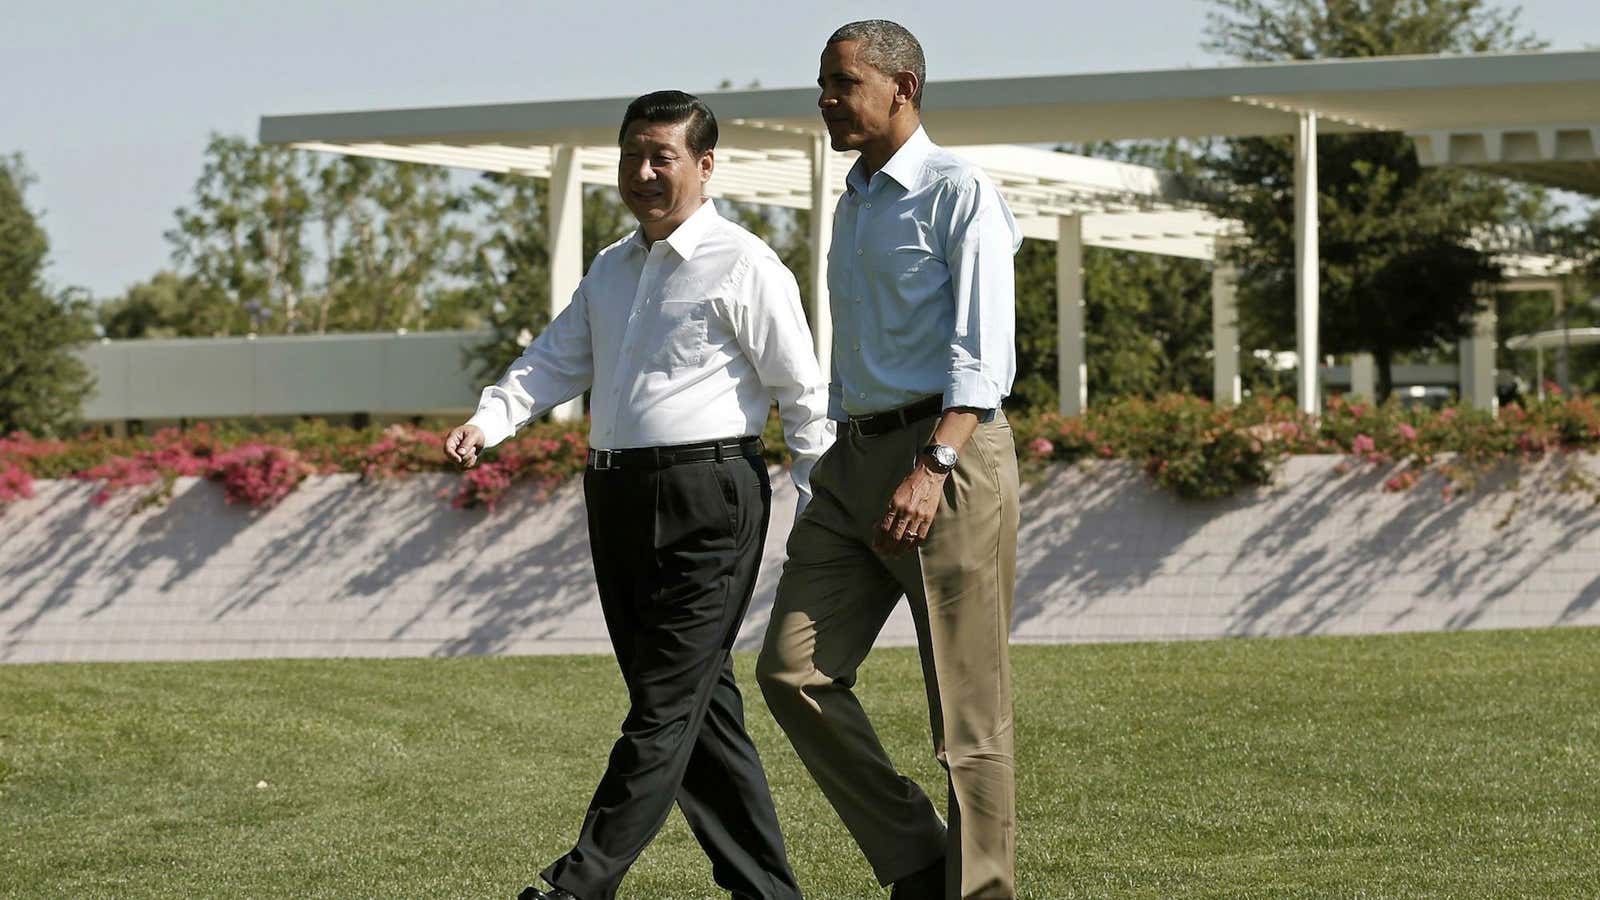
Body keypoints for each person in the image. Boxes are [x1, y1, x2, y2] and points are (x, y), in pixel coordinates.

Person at [444, 90, 831, 900]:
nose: (644, 173)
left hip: (709, 499)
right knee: (696, 706)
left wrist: (821, 509)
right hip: (615, 495)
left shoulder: (745, 263)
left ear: (705, 165)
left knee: (663, 704)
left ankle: (576, 886)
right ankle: (770, 894)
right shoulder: (612, 268)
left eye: (663, 156)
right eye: (631, 156)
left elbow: (804, 395)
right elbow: (556, 358)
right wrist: (489, 422)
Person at [755, 20, 1023, 900]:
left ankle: (979, 892)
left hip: (946, 458)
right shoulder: (855, 198)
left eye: (842, 84)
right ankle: (917, 860)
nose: (826, 101)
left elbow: (984, 353)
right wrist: (826, 460)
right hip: (855, 458)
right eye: (823, 85)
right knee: (791, 670)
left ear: (903, 87)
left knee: (965, 714)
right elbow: (858, 346)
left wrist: (934, 463)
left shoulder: (959, 191)